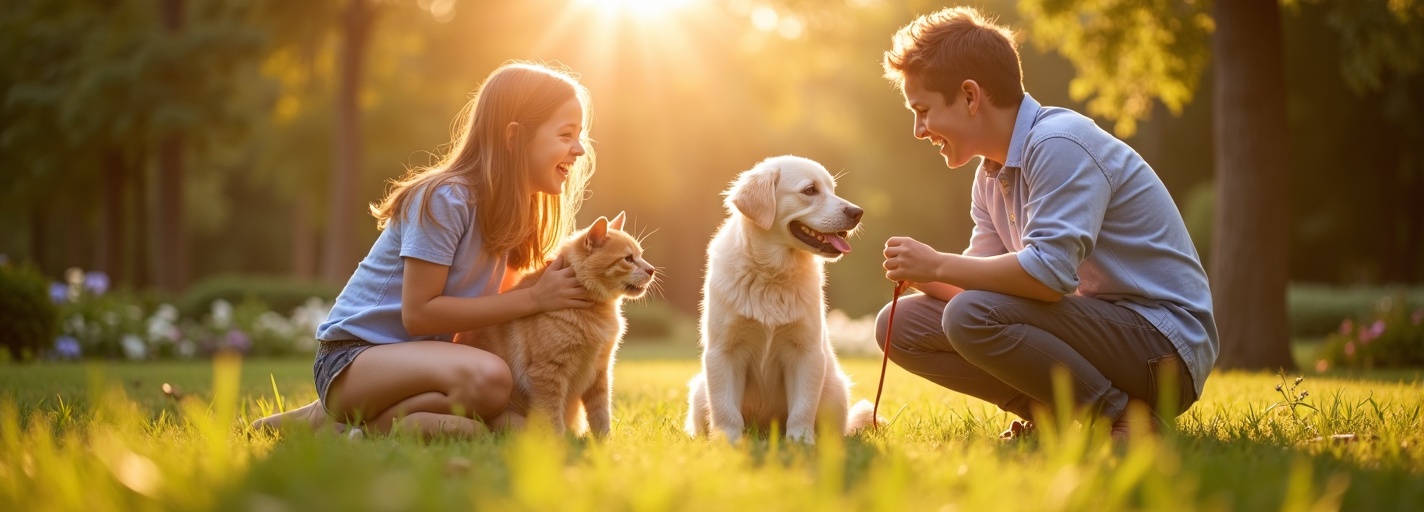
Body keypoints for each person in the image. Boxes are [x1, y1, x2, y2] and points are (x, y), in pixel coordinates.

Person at [874, 6, 1218, 441]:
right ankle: (1052, 416)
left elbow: (1048, 277)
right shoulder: (990, 177)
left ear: (969, 96)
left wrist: (937, 266)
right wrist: (923, 275)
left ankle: (1123, 420)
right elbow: (981, 283)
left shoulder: (1059, 143)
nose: (918, 130)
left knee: (968, 315)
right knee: (898, 326)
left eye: (922, 110)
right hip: (1102, 336)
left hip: (1162, 351)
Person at [251, 61, 597, 438]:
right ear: (514, 137)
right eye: (566, 135)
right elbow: (419, 314)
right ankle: (350, 428)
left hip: (423, 370)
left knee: (510, 420)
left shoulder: (516, 216)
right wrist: (535, 299)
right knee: (490, 379)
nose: (579, 149)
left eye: (580, 136)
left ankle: (321, 420)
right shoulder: (446, 198)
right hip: (353, 358)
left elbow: (497, 318)